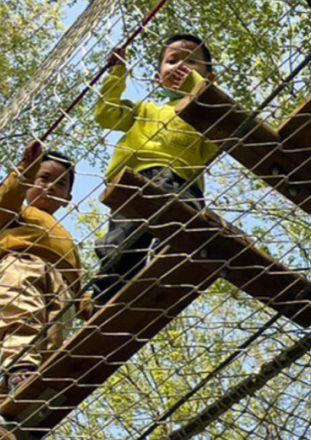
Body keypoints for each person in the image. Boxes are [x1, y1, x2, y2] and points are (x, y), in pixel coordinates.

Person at [91, 33, 220, 303]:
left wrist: (197, 88)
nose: (180, 67)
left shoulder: (207, 113)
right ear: (157, 77)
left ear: (209, 78)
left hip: (182, 182)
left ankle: (167, 280)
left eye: (191, 62)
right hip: (134, 181)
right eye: (172, 61)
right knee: (120, 246)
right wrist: (116, 73)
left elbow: (220, 137)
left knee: (180, 236)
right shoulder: (145, 109)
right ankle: (106, 301)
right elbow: (106, 114)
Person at [0, 140, 86, 419]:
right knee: (22, 318)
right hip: (23, 264)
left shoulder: (67, 238)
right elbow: (1, 201)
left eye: (61, 184)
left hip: (63, 289)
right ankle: (20, 374)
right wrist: (25, 171)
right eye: (44, 178)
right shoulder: (18, 213)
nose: (51, 186)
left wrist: (90, 304)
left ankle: (10, 410)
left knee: (52, 346)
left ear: (67, 197)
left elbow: (79, 286)